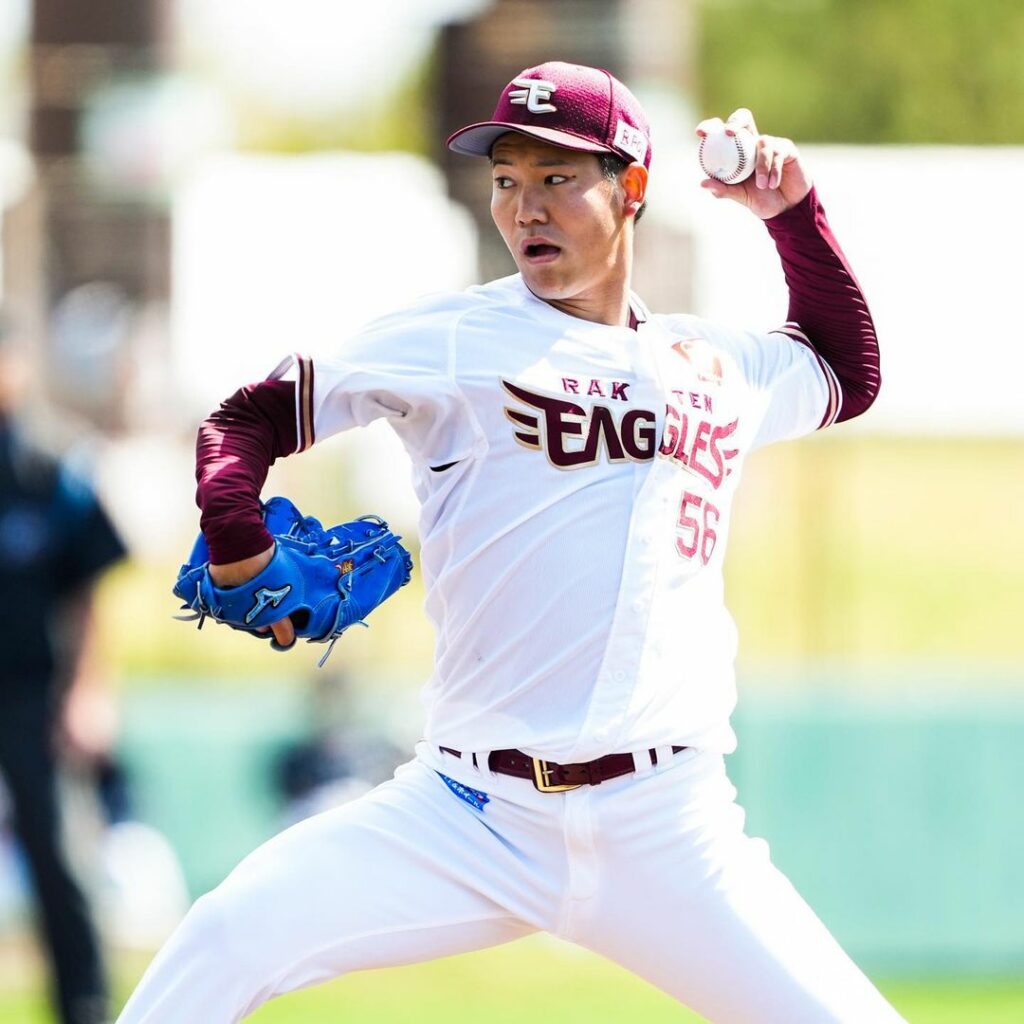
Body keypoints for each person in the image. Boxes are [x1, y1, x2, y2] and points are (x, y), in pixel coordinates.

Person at [116, 62, 904, 1022]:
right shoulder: (457, 338)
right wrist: (237, 537)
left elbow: (845, 371)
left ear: (631, 187)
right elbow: (250, 417)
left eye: (557, 178)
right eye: (506, 180)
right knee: (225, 937)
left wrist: (790, 213)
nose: (526, 206)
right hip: (467, 812)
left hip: (668, 825)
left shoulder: (712, 366)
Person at [0, 311, 126, 1024]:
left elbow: (90, 589)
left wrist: (89, 691)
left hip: (34, 696)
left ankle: (84, 1007)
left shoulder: (51, 467)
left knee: (58, 856)